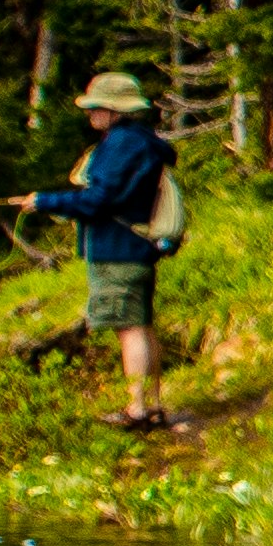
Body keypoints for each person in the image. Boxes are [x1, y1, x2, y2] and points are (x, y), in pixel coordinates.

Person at [32, 70, 183, 430]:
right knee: (141, 327)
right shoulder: (141, 141)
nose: (91, 114)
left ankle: (137, 410)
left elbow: (98, 200)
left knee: (129, 329)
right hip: (136, 249)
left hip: (118, 251)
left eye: (97, 107)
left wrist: (44, 201)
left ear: (116, 110)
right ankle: (153, 405)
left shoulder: (121, 144)